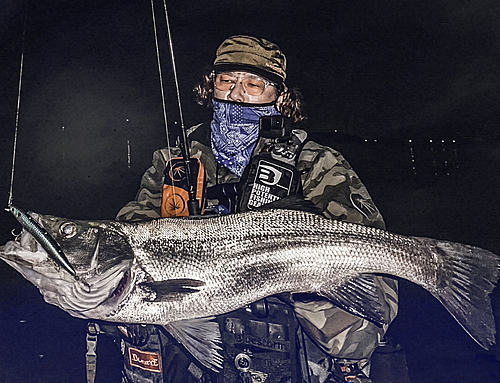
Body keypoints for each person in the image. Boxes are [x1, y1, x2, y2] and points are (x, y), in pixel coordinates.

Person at [99, 35, 399, 383]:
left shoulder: (317, 164)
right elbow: (125, 245)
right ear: (210, 88)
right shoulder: (173, 162)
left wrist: (303, 288)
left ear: (280, 97)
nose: (236, 94)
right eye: (226, 81)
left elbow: (374, 300)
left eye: (254, 84)